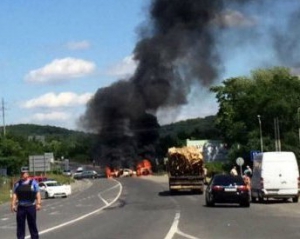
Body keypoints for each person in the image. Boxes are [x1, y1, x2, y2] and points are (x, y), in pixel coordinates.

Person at [11, 168, 41, 239]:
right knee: (20, 226)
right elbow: (15, 194)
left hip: (31, 206)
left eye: (24, 173)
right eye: (22, 173)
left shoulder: (33, 183)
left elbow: (38, 193)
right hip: (21, 207)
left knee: (32, 224)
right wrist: (13, 205)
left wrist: (39, 203)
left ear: (27, 174)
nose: (23, 175)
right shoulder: (18, 184)